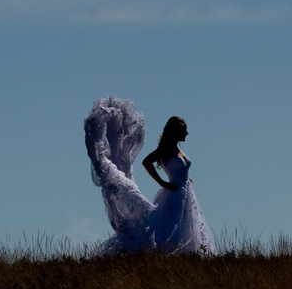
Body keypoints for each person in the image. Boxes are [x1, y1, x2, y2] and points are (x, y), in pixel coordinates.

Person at [84, 97, 216, 255]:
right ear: (175, 132)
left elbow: (181, 167)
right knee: (170, 227)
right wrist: (162, 182)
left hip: (186, 193)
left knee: (186, 225)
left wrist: (185, 177)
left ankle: (185, 256)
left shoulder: (177, 149)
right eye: (184, 130)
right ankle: (162, 253)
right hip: (174, 194)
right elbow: (146, 162)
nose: (187, 133)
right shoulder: (166, 149)